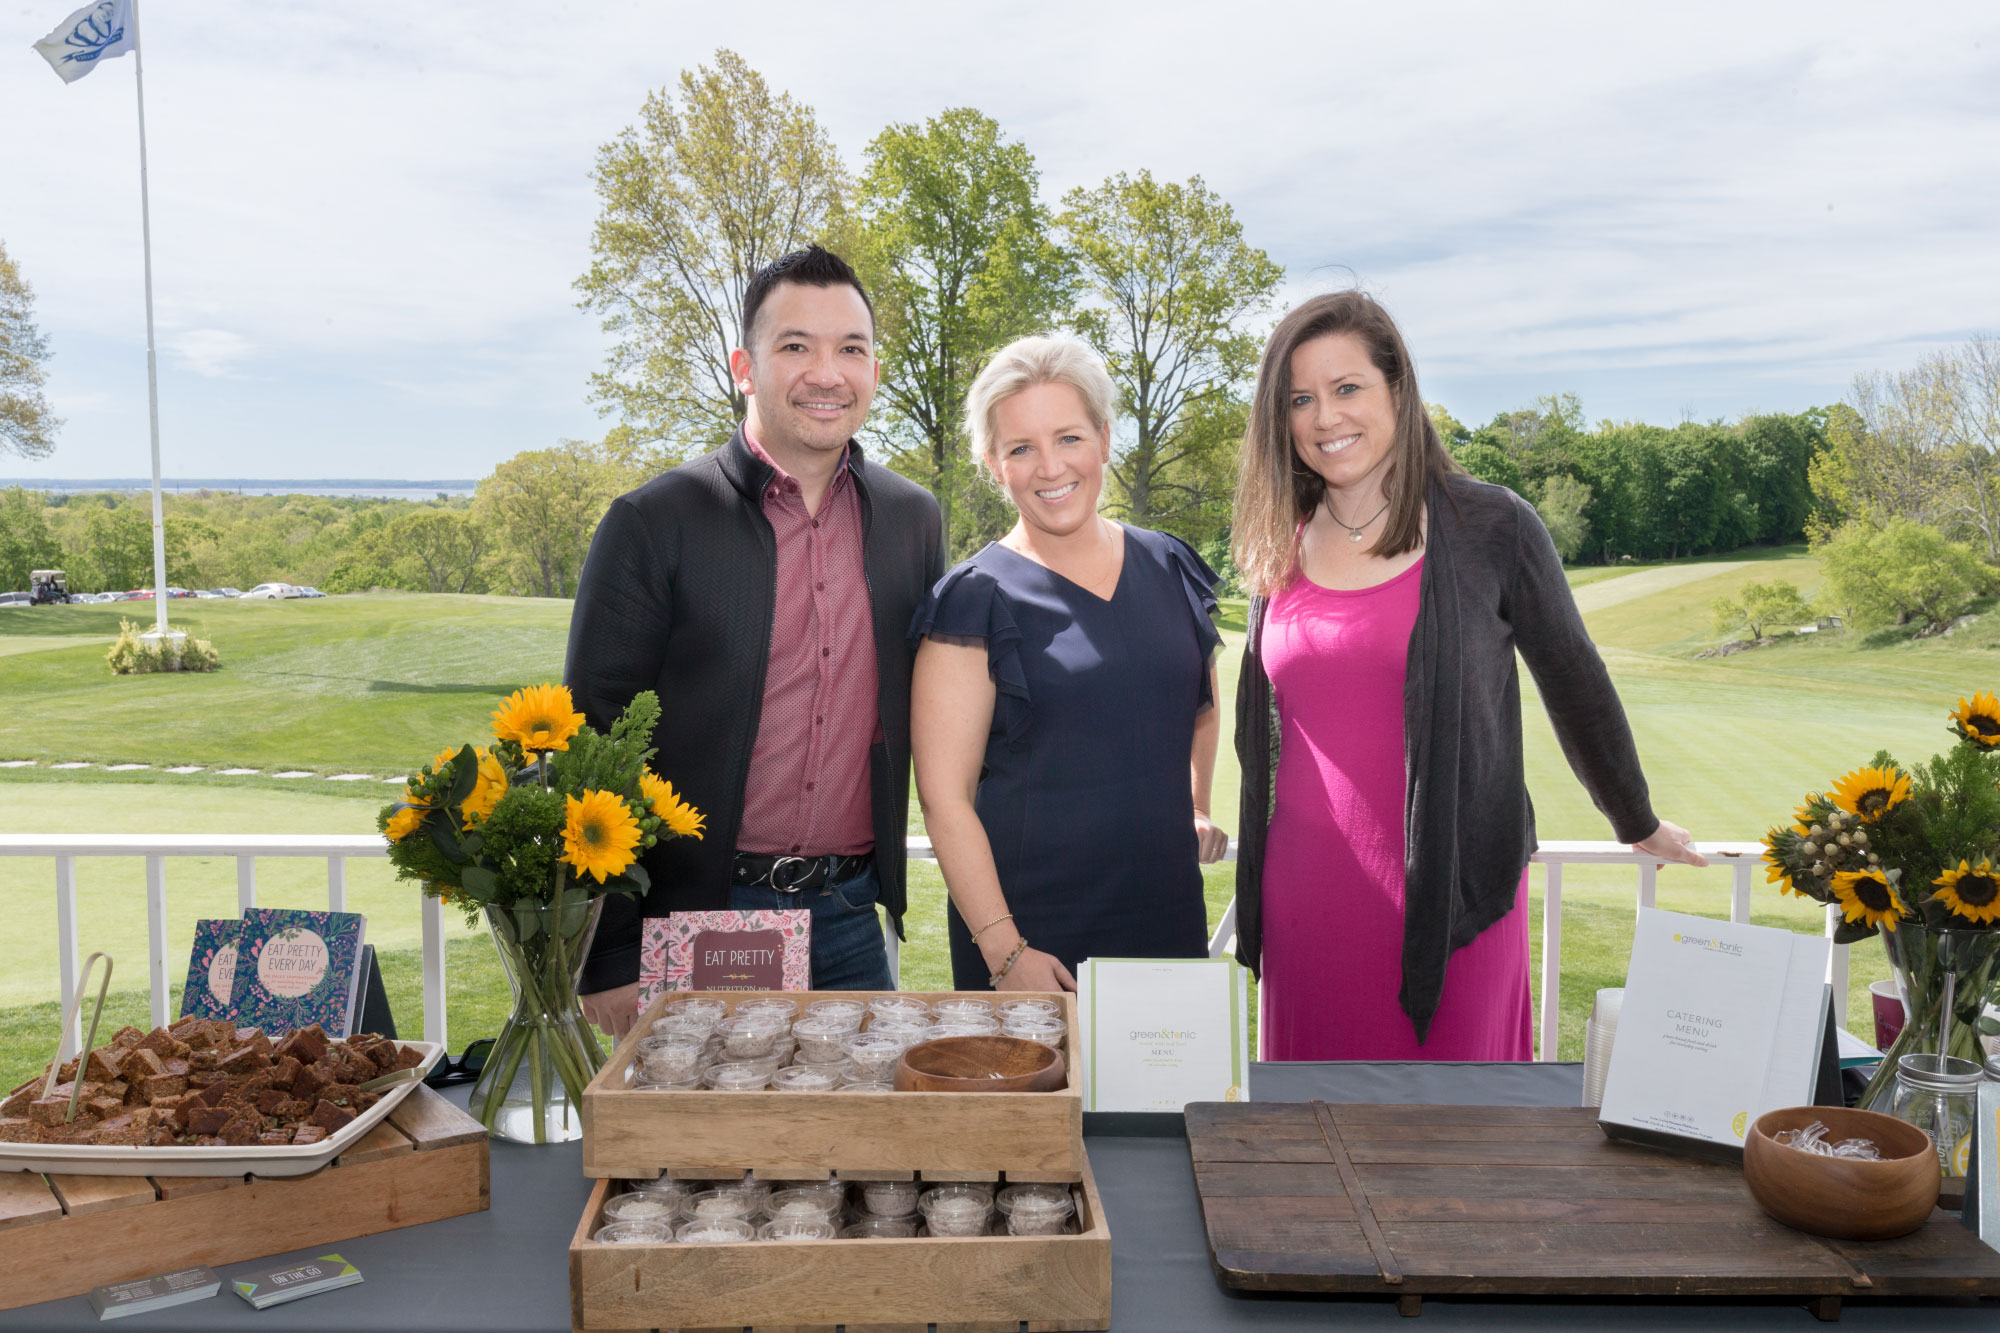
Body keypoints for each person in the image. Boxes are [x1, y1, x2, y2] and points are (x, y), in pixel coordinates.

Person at [1230, 291, 1705, 1060]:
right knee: (1312, 1123)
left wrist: (1636, 818)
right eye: (1300, 399)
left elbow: (1575, 681)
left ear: (1398, 388)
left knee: (1460, 1122)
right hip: (1305, 905)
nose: (1325, 417)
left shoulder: (1493, 526)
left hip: (1455, 906)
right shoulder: (1275, 543)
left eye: (1347, 387)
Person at [566, 246, 945, 1038]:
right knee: (698, 1124)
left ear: (875, 371)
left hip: (851, 916)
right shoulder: (652, 522)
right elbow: (592, 742)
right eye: (796, 346)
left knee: (861, 1120)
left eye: (851, 349)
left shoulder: (913, 521)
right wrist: (609, 949)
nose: (827, 374)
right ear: (745, 366)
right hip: (700, 920)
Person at [910, 336, 1230, 993]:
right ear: (994, 465)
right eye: (1021, 448)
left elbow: (1197, 700)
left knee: (1168, 1070)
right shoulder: (973, 599)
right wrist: (1005, 952)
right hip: (1033, 941)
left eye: (1069, 438)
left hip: (1166, 916)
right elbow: (944, 798)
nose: (1050, 466)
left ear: (1105, 439)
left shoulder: (1170, 565)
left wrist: (1196, 804)